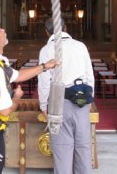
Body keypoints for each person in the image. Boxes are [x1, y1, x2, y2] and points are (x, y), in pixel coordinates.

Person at [0, 21, 58, 174]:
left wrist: (45, 66)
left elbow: (18, 75)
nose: (3, 29)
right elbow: (5, 111)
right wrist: (16, 98)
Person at [38, 18, 94, 174]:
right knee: (83, 146)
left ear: (46, 31)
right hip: (81, 99)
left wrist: (44, 105)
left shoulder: (46, 50)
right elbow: (90, 76)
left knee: (62, 149)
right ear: (65, 27)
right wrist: (90, 99)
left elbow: (44, 82)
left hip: (58, 102)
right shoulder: (80, 46)